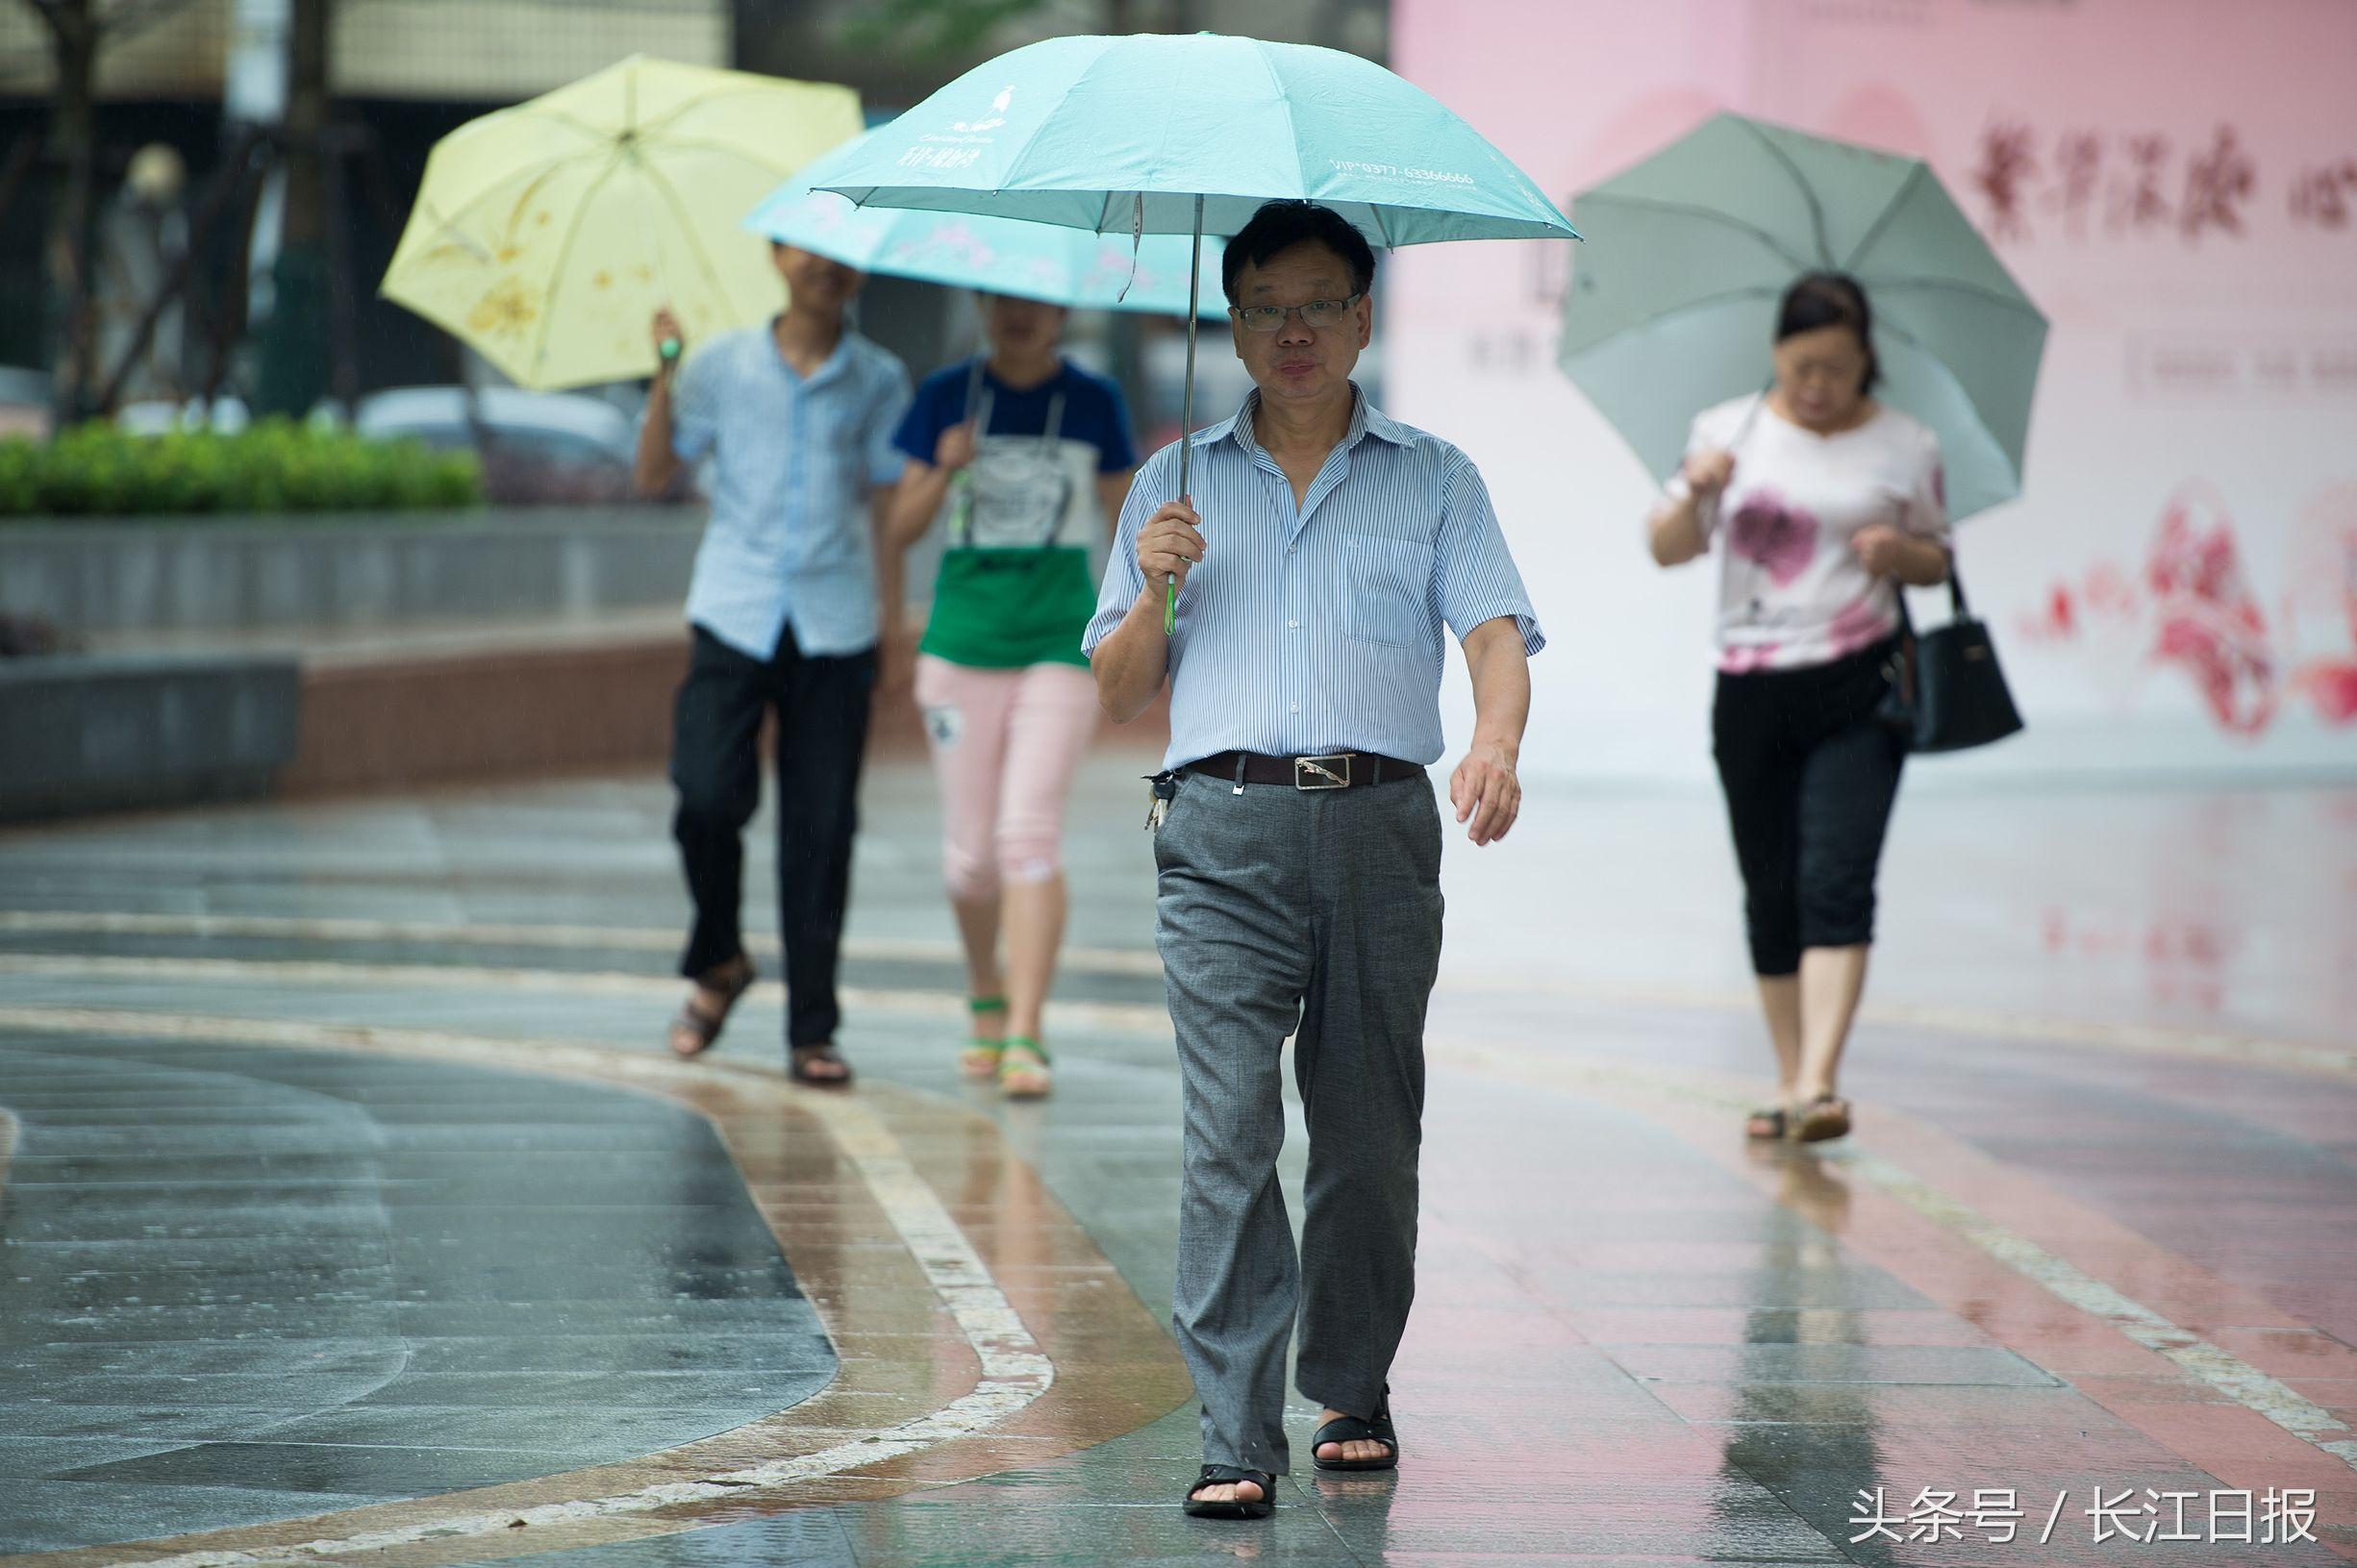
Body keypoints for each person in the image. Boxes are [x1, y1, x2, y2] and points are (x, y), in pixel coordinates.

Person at [1085, 200, 1542, 1519]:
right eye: (1264, 306)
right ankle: (1233, 1428)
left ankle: (1349, 1379)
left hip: (1379, 826)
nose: (1292, 330)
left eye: (1318, 303)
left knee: (1362, 1130)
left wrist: (1494, 741)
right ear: (1228, 322)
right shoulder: (1168, 485)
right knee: (1226, 1129)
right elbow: (1118, 686)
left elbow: (1495, 634)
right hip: (1218, 831)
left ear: (1361, 316)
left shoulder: (1434, 475)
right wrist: (1155, 585)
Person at [1645, 271, 1952, 1145]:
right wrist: (1697, 488)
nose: (1817, 383)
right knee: (1769, 886)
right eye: (1801, 363)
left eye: (1839, 366)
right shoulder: (1726, 429)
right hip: (1749, 689)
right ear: (1776, 352)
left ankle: (1819, 1078)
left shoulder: (1906, 443)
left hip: (1859, 681)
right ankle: (1787, 1077)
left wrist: (1900, 551)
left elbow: (1938, 557)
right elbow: (1664, 547)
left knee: (1836, 878)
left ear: (1868, 362)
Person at [634, 241, 913, 1088]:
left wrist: (893, 626)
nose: (830, 265)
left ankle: (811, 1030)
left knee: (822, 831)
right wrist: (663, 374)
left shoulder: (878, 378)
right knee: (705, 798)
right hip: (733, 610)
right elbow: (652, 476)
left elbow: (890, 504)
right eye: (812, 249)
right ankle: (718, 958)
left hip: (834, 625)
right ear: (776, 255)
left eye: (846, 255)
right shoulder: (717, 365)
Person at [884, 292, 1139, 1100]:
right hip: (960, 646)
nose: (1020, 316)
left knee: (1028, 835)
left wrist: (1138, 624)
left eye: (1037, 304)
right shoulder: (946, 396)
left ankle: (1027, 1026)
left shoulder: (1093, 401)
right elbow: (899, 528)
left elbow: (1125, 519)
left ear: (1063, 311)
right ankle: (984, 995)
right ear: (984, 307)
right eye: (1004, 302)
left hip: (1057, 644)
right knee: (971, 862)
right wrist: (944, 466)